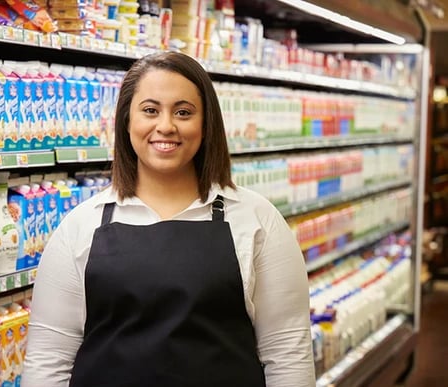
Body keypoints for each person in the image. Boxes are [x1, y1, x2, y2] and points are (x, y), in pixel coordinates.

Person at [22, 51, 315, 387]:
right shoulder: (79, 227)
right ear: (126, 121)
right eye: (150, 110)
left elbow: (288, 355)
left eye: (183, 112)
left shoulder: (257, 220)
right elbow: (48, 362)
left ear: (206, 125)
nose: (165, 126)